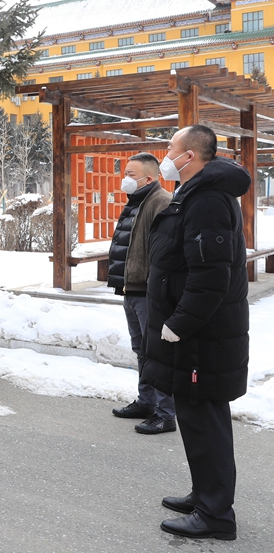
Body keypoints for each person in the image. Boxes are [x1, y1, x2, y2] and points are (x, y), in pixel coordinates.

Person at [142, 125, 250, 540]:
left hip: (202, 337)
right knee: (198, 420)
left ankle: (216, 515)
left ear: (189, 156)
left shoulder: (207, 199)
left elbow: (210, 277)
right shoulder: (194, 193)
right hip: (199, 336)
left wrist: (179, 323)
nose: (165, 154)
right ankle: (206, 495)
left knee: (205, 423)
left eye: (171, 148)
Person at [108, 154, 175, 434]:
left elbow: (165, 251)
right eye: (125, 172)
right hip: (131, 289)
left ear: (149, 178)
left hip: (149, 291)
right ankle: (146, 402)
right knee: (142, 351)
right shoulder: (136, 201)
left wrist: (158, 289)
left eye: (131, 174)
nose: (125, 178)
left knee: (156, 353)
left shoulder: (161, 201)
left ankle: (165, 413)